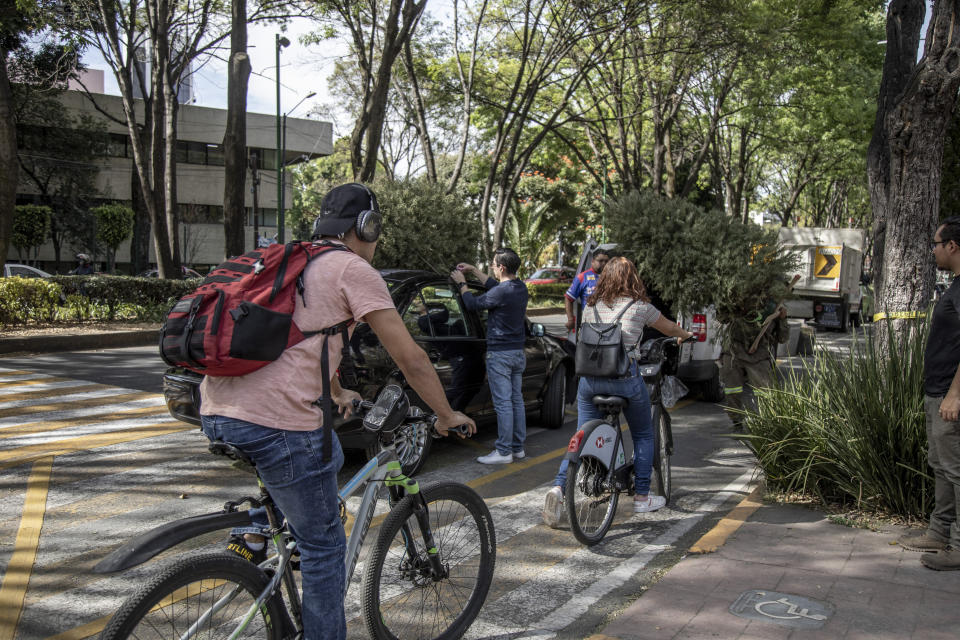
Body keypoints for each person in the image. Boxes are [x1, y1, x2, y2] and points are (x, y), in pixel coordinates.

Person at [199, 182, 477, 640]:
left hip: (217, 407)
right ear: (366, 226)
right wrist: (445, 414)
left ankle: (255, 538)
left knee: (320, 457)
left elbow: (301, 336)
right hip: (277, 423)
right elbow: (411, 359)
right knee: (326, 546)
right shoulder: (353, 269)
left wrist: (338, 389)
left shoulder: (290, 260)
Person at [543, 257, 693, 526]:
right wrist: (685, 334)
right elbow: (668, 328)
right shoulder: (641, 307)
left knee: (581, 435)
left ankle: (558, 488)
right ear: (633, 277)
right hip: (625, 380)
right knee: (644, 434)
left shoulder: (590, 306)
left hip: (589, 382)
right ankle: (642, 497)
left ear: (605, 277)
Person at [897, 217, 960, 571]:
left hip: (950, 395)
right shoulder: (953, 287)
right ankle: (940, 532)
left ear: (952, 245)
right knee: (941, 465)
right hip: (937, 391)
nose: (933, 250)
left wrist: (955, 395)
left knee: (956, 469)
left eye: (936, 243)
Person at [451, 248, 529, 464]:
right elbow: (494, 286)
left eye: (494, 265)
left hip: (500, 355)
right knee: (516, 401)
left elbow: (472, 304)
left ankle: (503, 452)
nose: (492, 268)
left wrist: (461, 283)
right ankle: (517, 448)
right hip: (517, 353)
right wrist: (474, 270)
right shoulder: (519, 287)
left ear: (501, 267)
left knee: (504, 404)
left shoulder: (502, 292)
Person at [719, 294, 790, 430]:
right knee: (732, 389)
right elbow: (722, 318)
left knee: (764, 392)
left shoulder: (773, 308)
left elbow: (782, 338)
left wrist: (782, 319)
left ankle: (768, 424)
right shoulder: (737, 303)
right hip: (734, 353)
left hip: (759, 356)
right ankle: (736, 422)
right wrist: (728, 305)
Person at [565, 248, 611, 333]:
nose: (604, 264)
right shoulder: (582, 277)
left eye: (606, 261)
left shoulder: (613, 277)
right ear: (593, 261)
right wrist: (571, 319)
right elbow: (568, 298)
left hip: (609, 323)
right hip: (589, 323)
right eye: (601, 261)